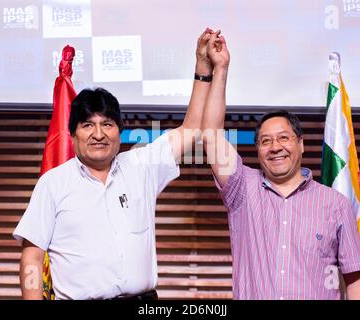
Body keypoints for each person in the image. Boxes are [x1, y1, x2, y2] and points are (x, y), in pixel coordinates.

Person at [13, 28, 216, 300]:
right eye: (88, 125)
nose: (98, 134)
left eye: (107, 124)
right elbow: (32, 256)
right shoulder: (53, 183)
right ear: (73, 134)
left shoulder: (141, 165)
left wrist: (203, 67)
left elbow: (191, 130)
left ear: (120, 131)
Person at [201, 32, 360, 300]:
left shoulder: (335, 203)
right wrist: (220, 68)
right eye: (265, 141)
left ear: (301, 144)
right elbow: (211, 134)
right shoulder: (243, 189)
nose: (275, 147)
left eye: (283, 138)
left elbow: (355, 279)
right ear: (257, 149)